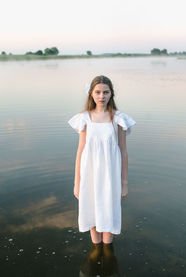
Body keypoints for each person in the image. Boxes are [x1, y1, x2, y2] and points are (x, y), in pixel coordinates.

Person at [67, 75, 136, 261]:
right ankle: (95, 248)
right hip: (89, 173)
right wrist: (77, 182)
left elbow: (123, 152)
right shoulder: (84, 118)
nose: (101, 96)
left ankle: (107, 249)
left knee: (109, 207)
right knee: (90, 206)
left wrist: (124, 182)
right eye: (97, 92)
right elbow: (80, 151)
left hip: (111, 174)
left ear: (111, 93)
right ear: (91, 93)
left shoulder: (118, 119)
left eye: (106, 92)